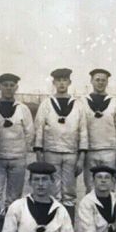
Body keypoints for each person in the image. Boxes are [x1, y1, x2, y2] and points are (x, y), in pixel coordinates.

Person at [33, 68, 88, 220]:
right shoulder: (46, 104)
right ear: (54, 82)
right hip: (51, 152)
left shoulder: (78, 105)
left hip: (71, 153)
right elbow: (39, 128)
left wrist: (82, 157)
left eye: (65, 80)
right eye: (59, 80)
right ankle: (52, 226)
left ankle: (68, 228)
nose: (62, 83)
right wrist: (39, 153)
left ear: (69, 82)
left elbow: (83, 131)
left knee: (69, 192)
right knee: (53, 190)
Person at [0, 73, 34, 217]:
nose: (8, 88)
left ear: (16, 87)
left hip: (17, 158)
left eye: (12, 85)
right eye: (5, 85)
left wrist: (23, 151)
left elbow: (30, 132)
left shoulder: (23, 108)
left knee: (14, 197)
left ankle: (10, 227)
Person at [80, 68, 116, 193]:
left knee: (109, 187)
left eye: (103, 80)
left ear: (107, 82)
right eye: (97, 80)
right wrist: (81, 152)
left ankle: (108, 212)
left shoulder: (114, 102)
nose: (100, 83)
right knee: (90, 186)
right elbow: (79, 127)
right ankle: (91, 212)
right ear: (91, 81)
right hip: (90, 151)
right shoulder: (82, 101)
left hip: (109, 152)